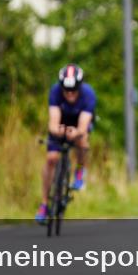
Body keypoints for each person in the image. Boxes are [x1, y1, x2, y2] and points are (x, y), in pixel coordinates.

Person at [35, 63, 96, 225]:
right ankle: (44, 204)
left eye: (73, 90)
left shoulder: (88, 95)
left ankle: (80, 170)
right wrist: (57, 131)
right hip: (61, 123)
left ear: (80, 87)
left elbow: (83, 125)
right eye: (66, 90)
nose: (69, 94)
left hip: (79, 123)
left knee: (82, 140)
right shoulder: (55, 92)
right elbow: (53, 121)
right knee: (51, 159)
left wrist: (76, 133)